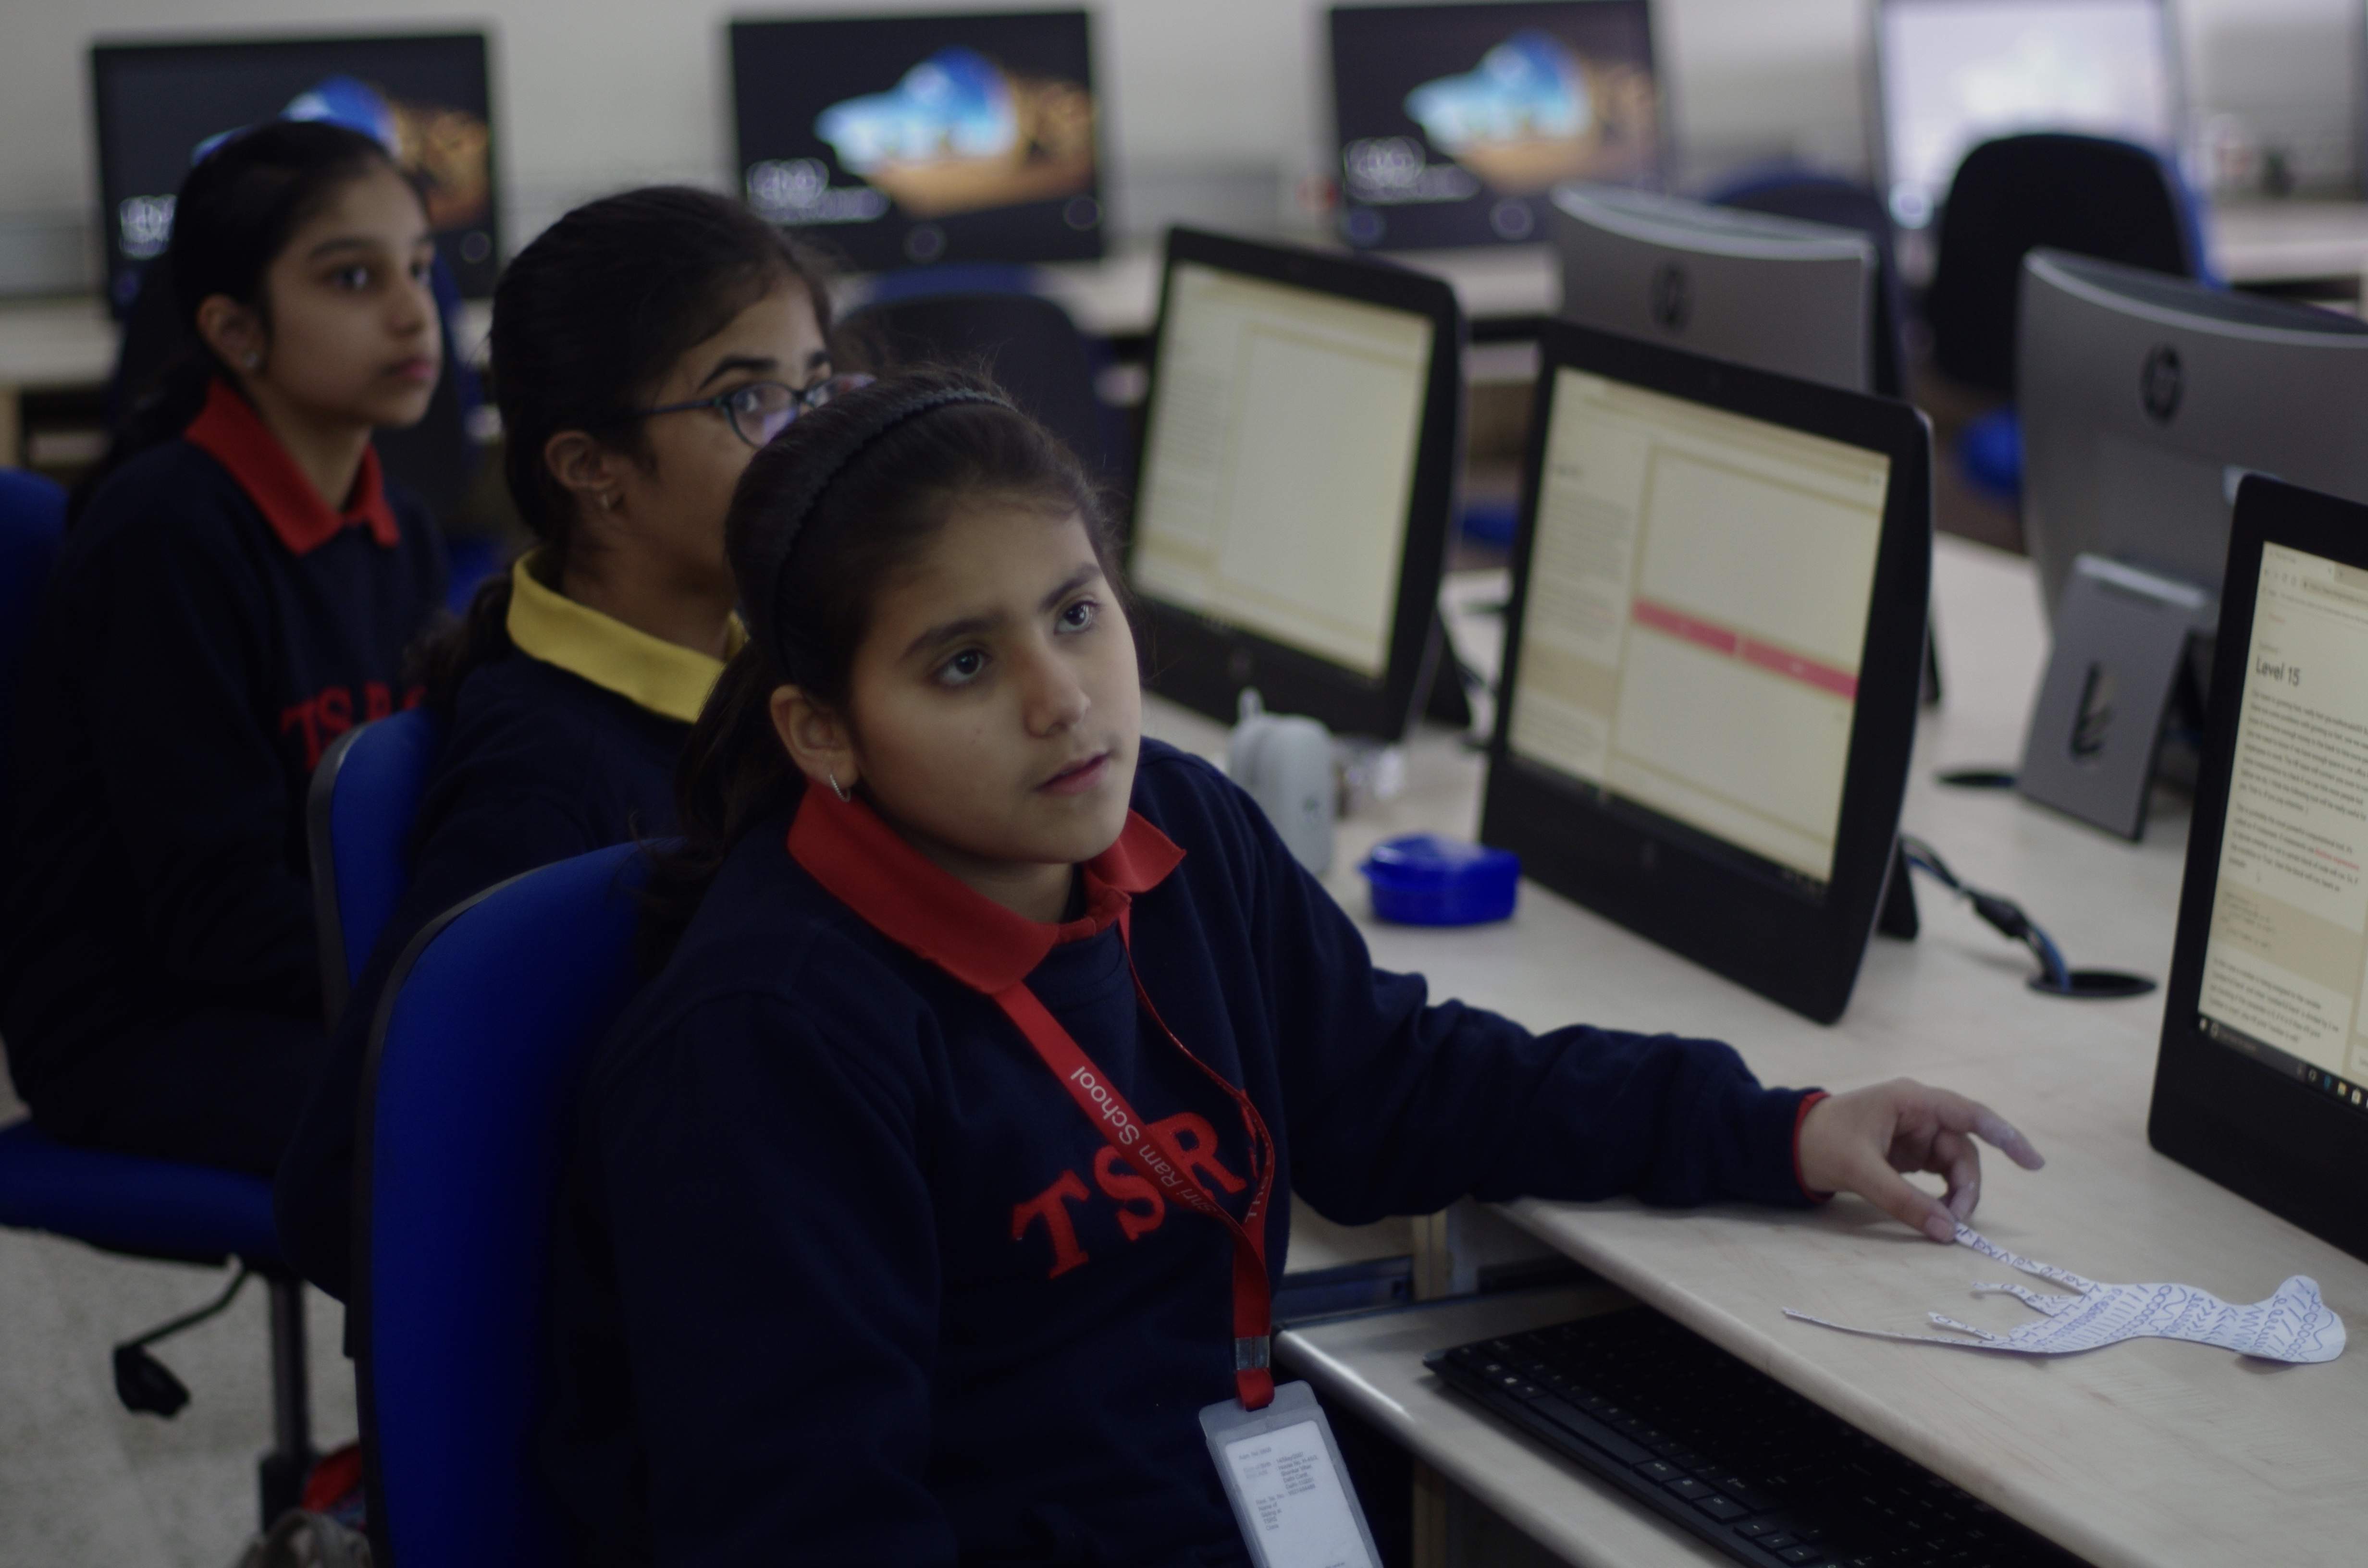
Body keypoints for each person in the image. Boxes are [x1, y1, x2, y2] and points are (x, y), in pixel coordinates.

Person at [541, 371, 2047, 1564]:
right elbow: (817, 1531)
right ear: (821, 732)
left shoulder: (1177, 829)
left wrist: (1777, 1130)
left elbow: (1400, 1083)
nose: (1065, 701)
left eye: (1077, 614)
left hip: (1226, 1501)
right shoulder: (771, 1045)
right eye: (962, 663)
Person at [273, 186, 849, 1300]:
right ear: (593, 468)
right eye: (748, 403)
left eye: (816, 388)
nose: (810, 444)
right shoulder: (552, 790)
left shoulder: (765, 675)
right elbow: (343, 1190)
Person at [1, 121, 447, 1176]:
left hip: (309, 982)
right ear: (237, 332)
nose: (409, 309)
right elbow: (213, 916)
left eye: (420, 268)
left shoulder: (401, 528)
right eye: (351, 278)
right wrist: (434, 978)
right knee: (497, 1118)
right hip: (146, 1028)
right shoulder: (166, 537)